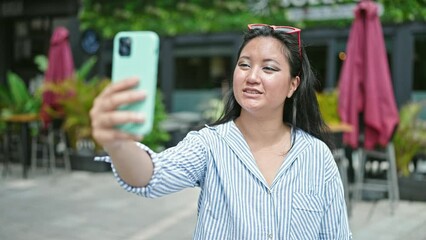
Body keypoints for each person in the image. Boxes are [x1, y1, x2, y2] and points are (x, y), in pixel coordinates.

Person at [90, 24, 352, 239]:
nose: (252, 76)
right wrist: (118, 144)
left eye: (269, 68)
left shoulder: (317, 156)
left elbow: (336, 234)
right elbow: (151, 175)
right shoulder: (209, 145)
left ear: (293, 85)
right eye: (244, 64)